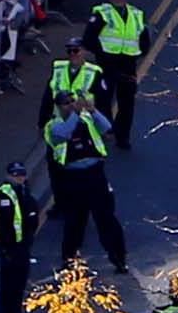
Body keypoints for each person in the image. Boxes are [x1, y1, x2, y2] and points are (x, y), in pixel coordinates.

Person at [43, 92, 128, 268]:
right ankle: (69, 260)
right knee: (74, 221)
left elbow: (106, 129)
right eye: (66, 103)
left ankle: (119, 257)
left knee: (106, 218)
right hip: (73, 178)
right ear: (58, 107)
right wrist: (76, 114)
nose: (71, 105)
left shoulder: (86, 119)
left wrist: (92, 110)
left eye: (72, 101)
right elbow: (64, 134)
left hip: (95, 175)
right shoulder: (53, 126)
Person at [82, 0, 150, 149]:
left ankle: (123, 137)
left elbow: (144, 38)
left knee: (127, 103)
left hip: (128, 64)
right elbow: (89, 39)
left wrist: (140, 52)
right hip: (107, 64)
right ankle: (106, 131)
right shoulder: (101, 13)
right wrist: (102, 54)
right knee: (104, 100)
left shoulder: (136, 14)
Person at [0, 160, 38, 313]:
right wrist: (6, 248)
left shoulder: (24, 191)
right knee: (9, 288)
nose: (20, 178)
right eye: (16, 175)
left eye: (22, 175)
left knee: (19, 286)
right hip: (11, 247)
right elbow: (5, 224)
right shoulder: (4, 194)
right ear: (9, 175)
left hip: (23, 245)